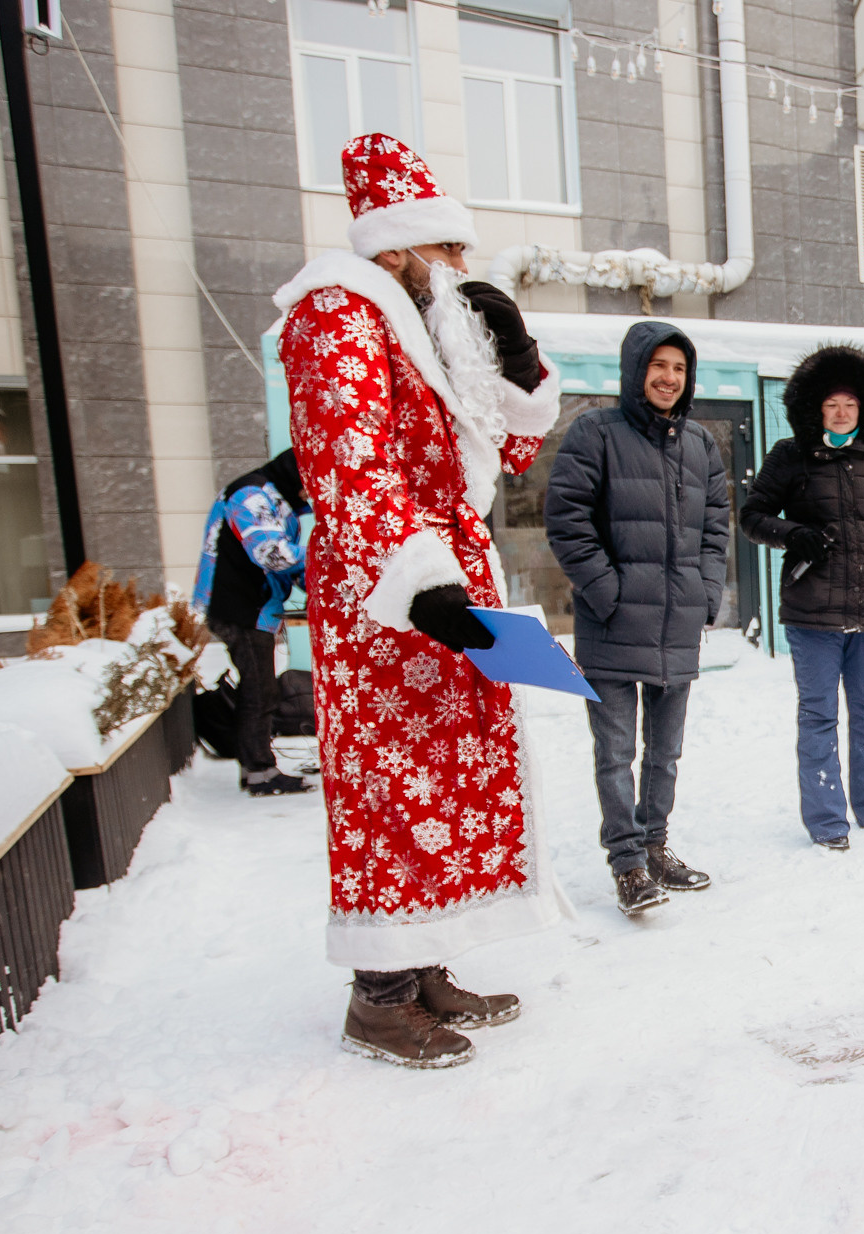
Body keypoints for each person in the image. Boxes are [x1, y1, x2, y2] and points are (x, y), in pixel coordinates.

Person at [274, 134, 567, 1068]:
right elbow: (350, 469)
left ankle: (424, 961)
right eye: (448, 252)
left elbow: (504, 453)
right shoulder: (337, 317)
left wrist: (518, 363)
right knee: (393, 788)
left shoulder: (424, 327)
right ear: (396, 250)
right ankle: (378, 999)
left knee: (444, 787)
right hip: (387, 600)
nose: (461, 269)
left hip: (441, 581)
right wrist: (425, 585)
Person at [546, 323, 728, 915]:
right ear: (634, 370)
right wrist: (608, 591)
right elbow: (566, 520)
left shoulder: (700, 444)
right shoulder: (594, 433)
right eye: (658, 366)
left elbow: (716, 529)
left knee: (665, 754)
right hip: (613, 623)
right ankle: (626, 862)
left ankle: (655, 846)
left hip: (676, 624)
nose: (668, 378)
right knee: (615, 753)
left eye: (678, 368)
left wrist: (706, 593)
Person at [740, 344, 864, 849]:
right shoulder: (789, 456)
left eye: (850, 403)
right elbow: (752, 517)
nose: (843, 412)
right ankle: (826, 820)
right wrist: (792, 533)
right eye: (832, 404)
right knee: (819, 715)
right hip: (813, 613)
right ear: (816, 408)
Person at [192, 448, 313, 796]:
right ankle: (260, 771)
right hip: (237, 608)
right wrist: (327, 561)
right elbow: (270, 553)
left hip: (249, 606)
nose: (314, 496)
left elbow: (286, 564)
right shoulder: (253, 495)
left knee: (258, 690)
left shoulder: (274, 499)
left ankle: (256, 767)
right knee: (260, 692)